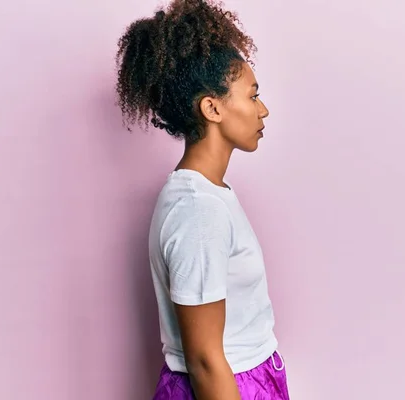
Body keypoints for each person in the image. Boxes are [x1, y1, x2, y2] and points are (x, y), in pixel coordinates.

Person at [115, 1, 290, 398]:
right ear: (212, 108)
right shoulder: (198, 210)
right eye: (253, 95)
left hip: (250, 375)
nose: (263, 110)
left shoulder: (209, 196)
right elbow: (205, 359)